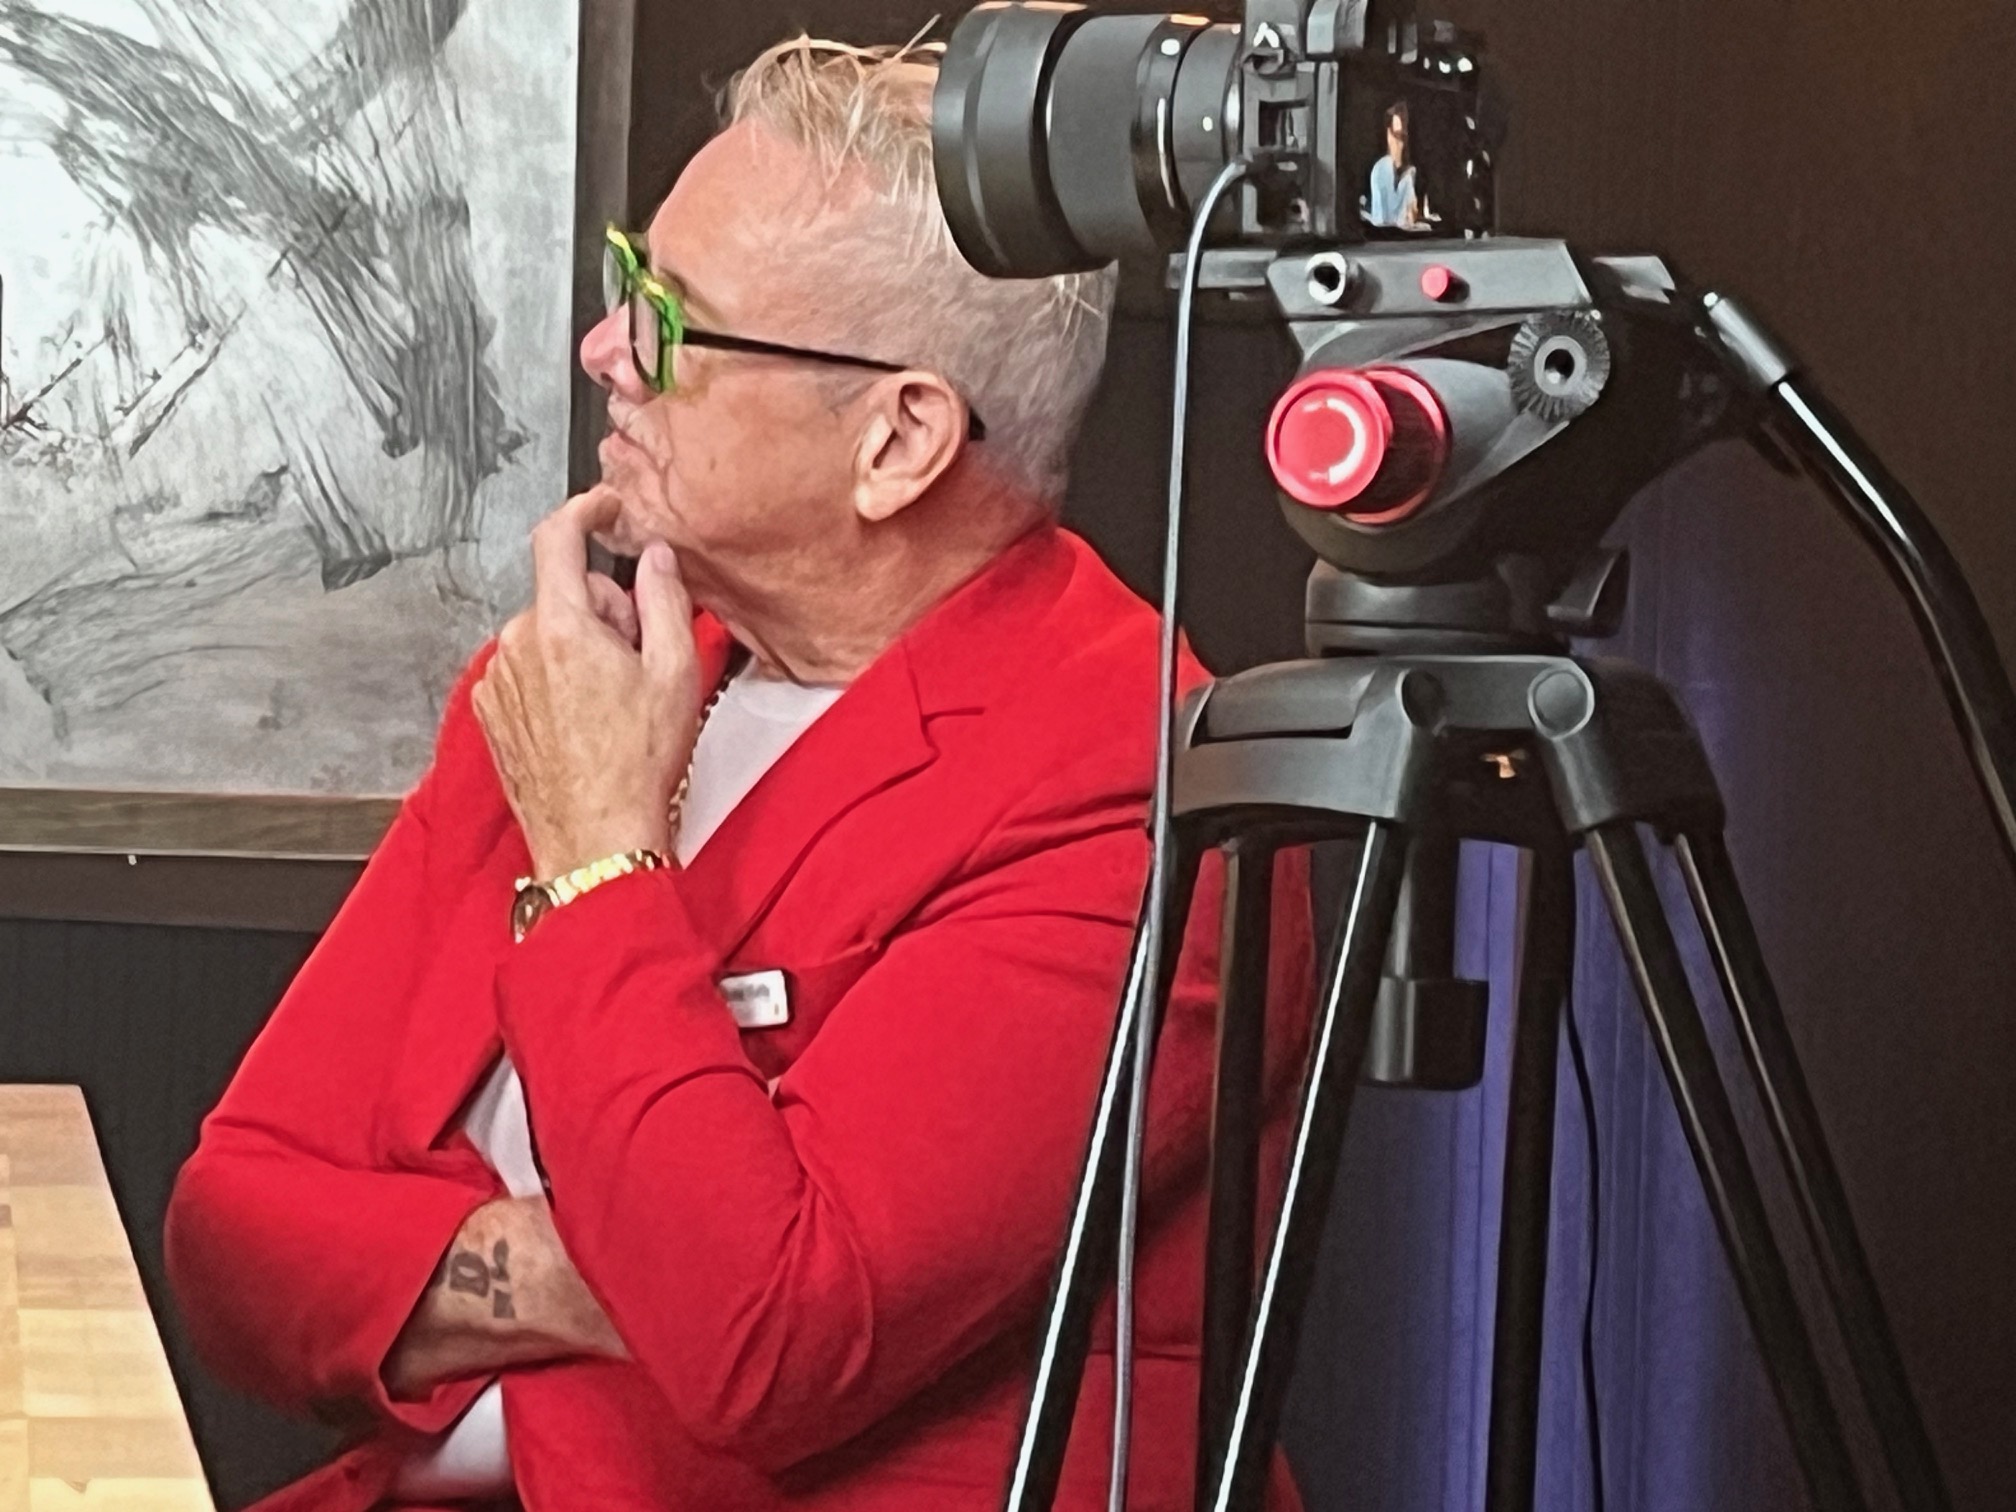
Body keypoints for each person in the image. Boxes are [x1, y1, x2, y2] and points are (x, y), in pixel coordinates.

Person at [166, 36, 1313, 1512]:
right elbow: (233, 1236)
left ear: (899, 439)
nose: (604, 351)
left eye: (668, 320)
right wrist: (595, 1267)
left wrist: (597, 852)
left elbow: (762, 1339)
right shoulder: (581, 678)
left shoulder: (1137, 790)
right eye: (626, 281)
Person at [1367, 100, 1421, 229]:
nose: (1399, 144)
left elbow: (1411, 215)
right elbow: (1384, 220)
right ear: (1387, 136)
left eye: (1403, 137)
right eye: (1395, 135)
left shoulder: (1408, 175)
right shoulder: (1382, 168)